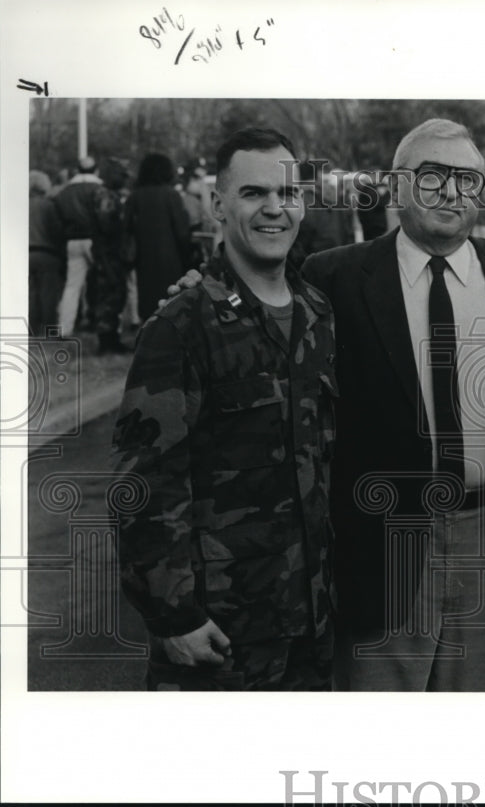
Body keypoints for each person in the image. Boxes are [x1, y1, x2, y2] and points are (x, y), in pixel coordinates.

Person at [300, 119, 485, 691]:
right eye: (433, 177)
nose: (451, 192)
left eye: (467, 179)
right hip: (383, 542)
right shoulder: (334, 277)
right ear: (397, 187)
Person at [111, 128, 338, 690]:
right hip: (219, 637)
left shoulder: (317, 314)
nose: (273, 209)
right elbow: (144, 484)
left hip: (311, 628)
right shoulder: (183, 324)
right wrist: (174, 615)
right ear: (217, 204)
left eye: (287, 194)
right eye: (253, 193)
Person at [123, 153, 191, 322]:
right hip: (171, 259)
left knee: (148, 303)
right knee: (172, 302)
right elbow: (182, 232)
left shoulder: (134, 196)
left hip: (144, 259)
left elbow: (126, 229)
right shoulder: (171, 195)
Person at [52, 156, 103, 336]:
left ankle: (64, 328)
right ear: (95, 170)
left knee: (72, 286)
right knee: (103, 282)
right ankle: (103, 325)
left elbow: (57, 216)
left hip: (72, 240)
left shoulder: (65, 192)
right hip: (95, 240)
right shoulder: (99, 188)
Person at [91, 158, 132, 354]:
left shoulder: (109, 194)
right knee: (110, 295)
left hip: (111, 253)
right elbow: (107, 226)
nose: (125, 180)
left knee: (115, 294)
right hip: (108, 254)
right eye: (122, 176)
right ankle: (107, 340)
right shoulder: (106, 195)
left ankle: (110, 338)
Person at [28, 170, 65, 336]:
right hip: (47, 254)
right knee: (48, 294)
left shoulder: (20, 204)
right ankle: (50, 329)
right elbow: (57, 231)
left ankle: (31, 329)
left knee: (31, 294)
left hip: (27, 254)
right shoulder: (48, 206)